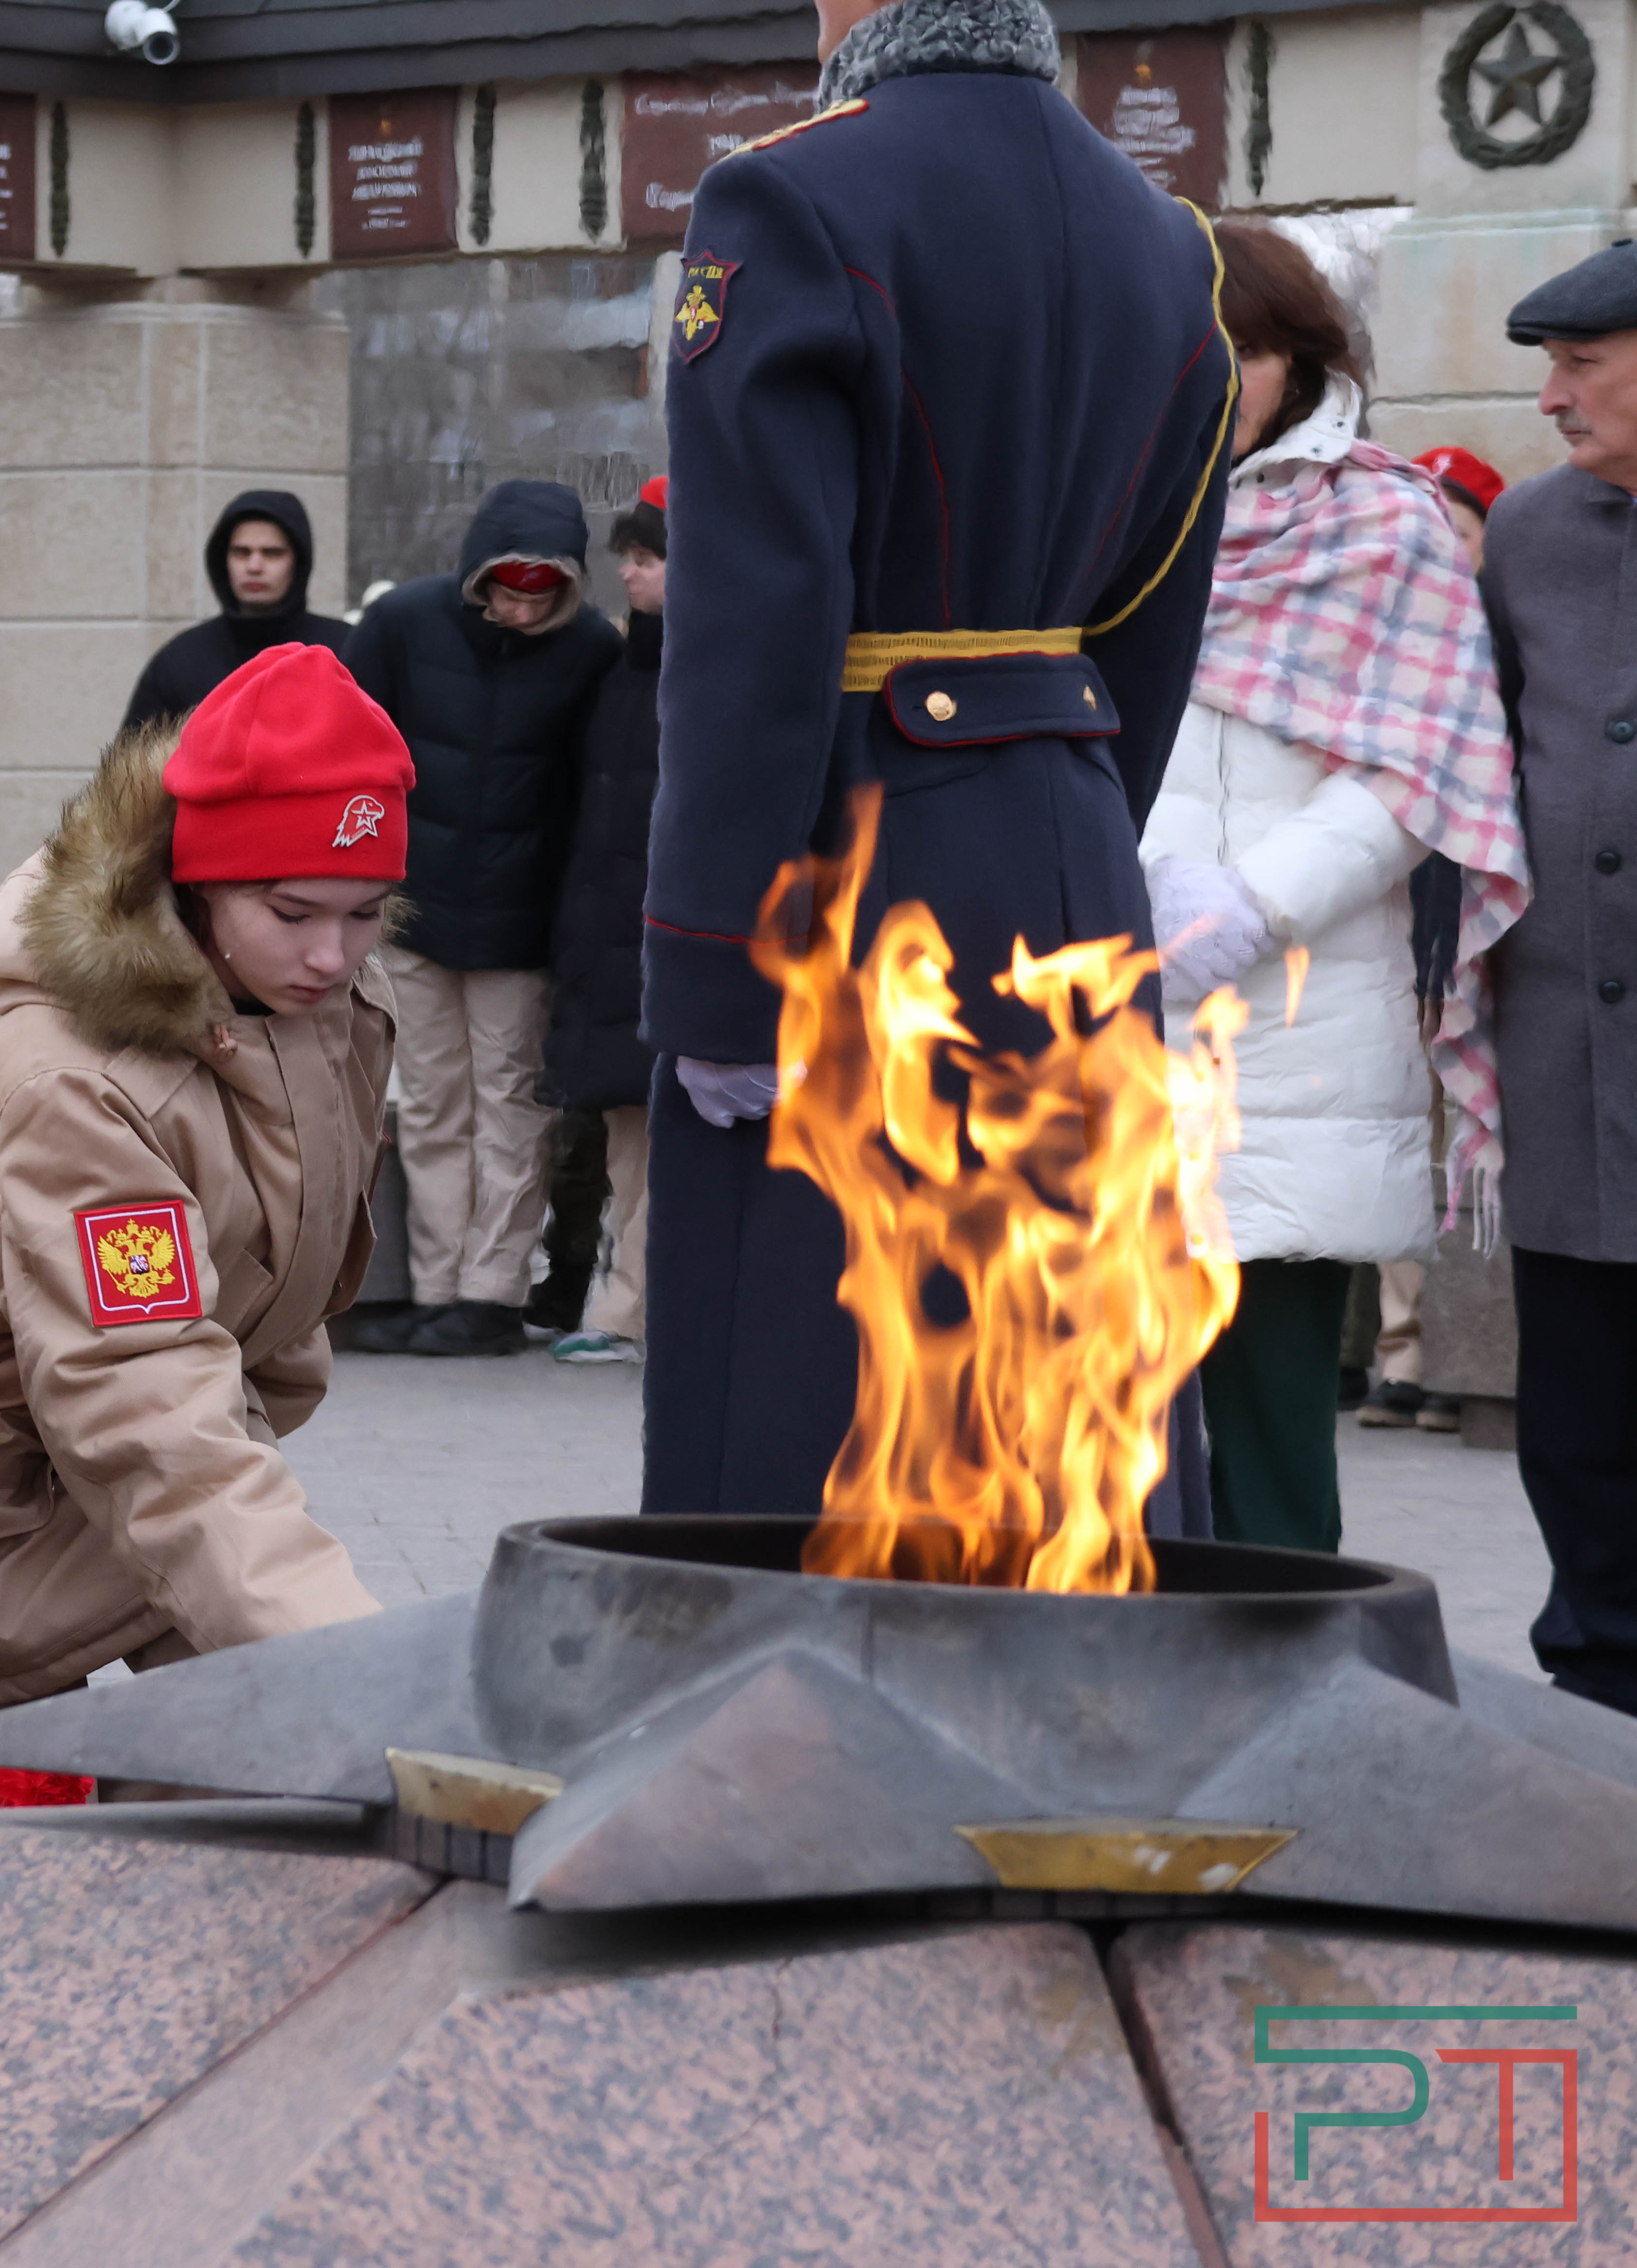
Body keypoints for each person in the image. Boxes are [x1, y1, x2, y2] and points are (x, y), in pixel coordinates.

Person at [637, 0, 1239, 1517]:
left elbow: (752, 626)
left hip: (851, 872)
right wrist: (1079, 811)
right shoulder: (1164, 235)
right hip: (1069, 851)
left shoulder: (785, 194)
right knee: (1069, 1357)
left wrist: (719, 968)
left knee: (798, 1389)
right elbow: (1153, 623)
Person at [0, 643, 398, 1704]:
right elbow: (136, 1390)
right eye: (295, 913)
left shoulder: (320, 994)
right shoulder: (78, 1076)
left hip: (191, 1441)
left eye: (368, 911)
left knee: (259, 1780)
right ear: (199, 886)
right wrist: (359, 1670)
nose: (334, 956)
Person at [1140, 222, 1525, 1554]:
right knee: (1098, 1438)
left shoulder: (1384, 518)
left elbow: (1430, 766)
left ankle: (1287, 1704)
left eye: (1244, 349)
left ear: (1300, 360)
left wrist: (1251, 901)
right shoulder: (1091, 501)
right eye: (1194, 342)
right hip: (1103, 1002)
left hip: (1292, 1023)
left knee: (1271, 1447)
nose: (1215, 373)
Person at [341, 480, 622, 1356]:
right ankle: (436, 1289)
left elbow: (593, 793)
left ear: (572, 585)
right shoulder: (404, 625)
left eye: (545, 589)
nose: (523, 605)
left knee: (510, 1108)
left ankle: (493, 1294)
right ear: (475, 575)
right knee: (429, 1105)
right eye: (507, 584)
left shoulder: (591, 652)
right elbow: (355, 744)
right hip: (416, 907)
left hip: (522, 924)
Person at [1480, 241, 1637, 1715]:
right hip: (1566, 1061)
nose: (1551, 395)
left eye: (1582, 365)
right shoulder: (1527, 536)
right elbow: (1479, 775)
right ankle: (1595, 1704)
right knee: (1578, 1422)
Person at [1365, 445, 1514, 1437]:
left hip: (1480, 920)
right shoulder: (1384, 637)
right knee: (1398, 1128)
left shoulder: (1509, 633)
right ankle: (1400, 1352)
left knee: (1472, 1129)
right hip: (1402, 921)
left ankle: (1453, 1354)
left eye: (1454, 529)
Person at [542, 478, 669, 1366]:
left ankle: (642, 1310)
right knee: (629, 1145)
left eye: (648, 557)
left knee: (664, 1148)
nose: (628, 571)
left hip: (663, 944)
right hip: (612, 941)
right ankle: (627, 1310)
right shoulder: (624, 671)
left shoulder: (708, 676)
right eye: (626, 555)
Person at [118, 491, 352, 735]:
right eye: (241, 553)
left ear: (298, 561)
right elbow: (131, 765)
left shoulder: (345, 650)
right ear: (223, 560)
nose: (254, 567)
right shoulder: (180, 661)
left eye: (272, 553)